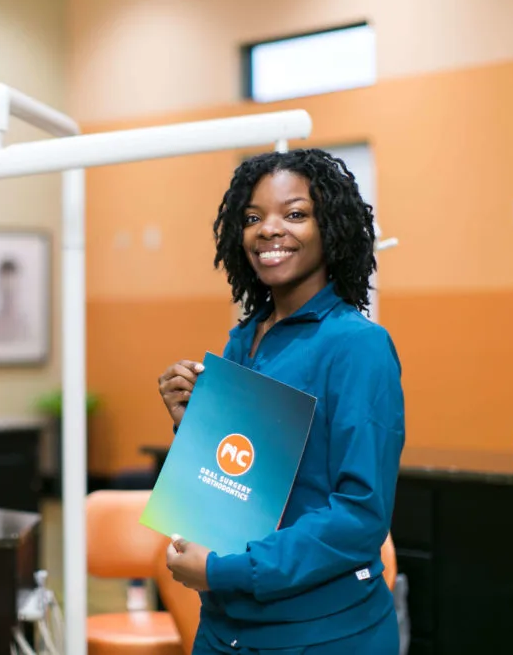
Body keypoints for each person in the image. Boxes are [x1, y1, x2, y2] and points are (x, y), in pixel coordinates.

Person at [157, 148, 405, 654]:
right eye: (253, 217)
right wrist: (193, 428)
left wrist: (224, 568)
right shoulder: (242, 340)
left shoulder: (358, 346)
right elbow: (239, 480)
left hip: (320, 633)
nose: (269, 229)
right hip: (226, 626)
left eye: (295, 214)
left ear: (330, 227)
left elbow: (359, 516)